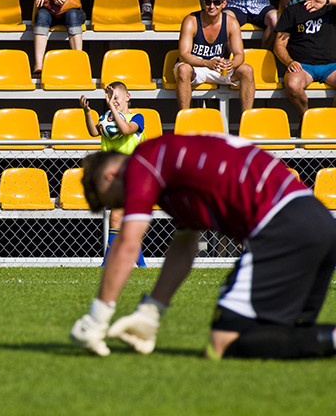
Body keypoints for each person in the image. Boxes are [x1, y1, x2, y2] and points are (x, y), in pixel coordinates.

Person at [70, 133, 336, 360]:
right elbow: (185, 244)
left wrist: (98, 317)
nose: (126, 205)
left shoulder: (143, 160)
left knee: (223, 342)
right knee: (289, 331)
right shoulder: (174, 169)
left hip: (281, 224)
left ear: (112, 174)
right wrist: (151, 312)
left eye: (119, 198)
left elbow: (128, 242)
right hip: (318, 219)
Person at [80, 82, 146, 267]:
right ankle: (142, 265)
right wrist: (87, 112)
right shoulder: (107, 119)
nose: (113, 102)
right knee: (127, 224)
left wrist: (111, 108)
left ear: (128, 96)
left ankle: (107, 263)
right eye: (110, 98)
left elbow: (125, 129)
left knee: (116, 217)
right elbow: (94, 131)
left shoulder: (137, 118)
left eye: (116, 98)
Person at [174, 0, 254, 113]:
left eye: (217, 2)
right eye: (208, 2)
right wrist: (206, 63)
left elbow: (239, 54)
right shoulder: (191, 20)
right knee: (183, 69)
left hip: (218, 66)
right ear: (203, 2)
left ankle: (248, 119)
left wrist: (232, 64)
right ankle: (184, 118)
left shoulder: (231, 22)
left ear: (224, 4)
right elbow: (184, 55)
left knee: (247, 70)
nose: (212, 6)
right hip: (196, 66)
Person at [274, 0, 336, 116]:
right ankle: (308, 120)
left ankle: (331, 122)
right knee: (292, 85)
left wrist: (326, 1)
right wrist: (289, 62)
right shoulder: (293, 11)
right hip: (304, 67)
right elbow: (279, 45)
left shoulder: (332, 9)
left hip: (332, 66)